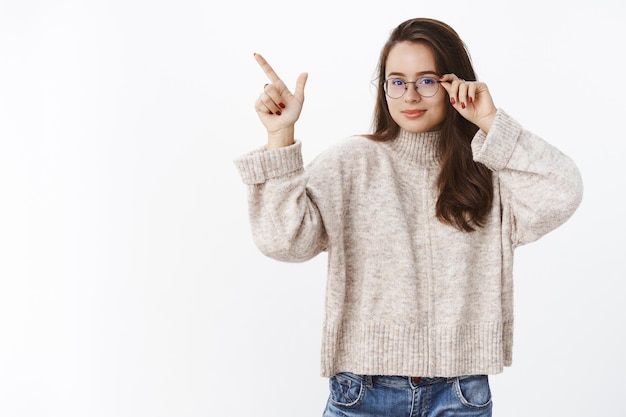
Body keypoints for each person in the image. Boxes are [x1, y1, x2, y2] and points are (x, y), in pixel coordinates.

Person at [234, 17, 583, 417]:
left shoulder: (489, 166)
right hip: (363, 391)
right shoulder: (353, 162)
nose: (410, 96)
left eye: (427, 81)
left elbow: (564, 190)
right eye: (397, 81)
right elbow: (284, 241)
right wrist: (280, 135)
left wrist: (490, 122)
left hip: (460, 391)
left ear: (455, 84)